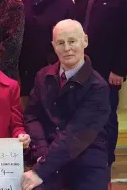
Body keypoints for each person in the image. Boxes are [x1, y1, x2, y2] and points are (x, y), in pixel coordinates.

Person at [22, 19, 110, 190]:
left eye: (72, 41)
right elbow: (31, 116)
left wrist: (41, 170)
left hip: (86, 157)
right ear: (53, 45)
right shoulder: (42, 76)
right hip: (47, 152)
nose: (67, 48)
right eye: (61, 43)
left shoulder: (98, 87)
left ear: (84, 40)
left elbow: (76, 135)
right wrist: (41, 151)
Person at [73, 0, 127, 167]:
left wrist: (120, 69)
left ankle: (106, 162)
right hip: (82, 70)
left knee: (106, 118)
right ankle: (84, 161)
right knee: (82, 115)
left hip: (109, 71)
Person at [19, 0, 75, 98]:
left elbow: (71, 37)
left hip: (54, 66)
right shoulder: (26, 1)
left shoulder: (65, 3)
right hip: (27, 66)